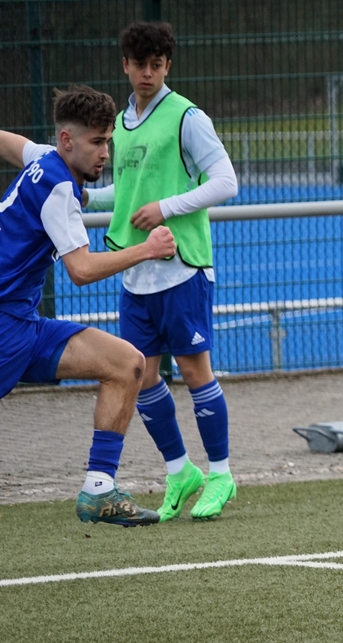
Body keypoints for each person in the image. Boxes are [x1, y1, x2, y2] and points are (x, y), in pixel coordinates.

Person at [83, 21, 239, 521]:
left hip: (182, 267)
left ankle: (221, 474)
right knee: (141, 375)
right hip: (137, 272)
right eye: (139, 65)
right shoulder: (121, 123)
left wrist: (166, 208)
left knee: (194, 372)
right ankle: (179, 471)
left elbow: (226, 181)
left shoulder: (187, 117)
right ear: (125, 65)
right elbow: (128, 192)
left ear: (167, 65)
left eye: (156, 65)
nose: (147, 73)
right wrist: (86, 196)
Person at [0, 85, 177, 526]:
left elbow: (11, 144)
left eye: (108, 141)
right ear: (67, 140)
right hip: (6, 328)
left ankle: (99, 489)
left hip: (23, 324)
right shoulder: (60, 188)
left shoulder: (45, 157)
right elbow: (79, 270)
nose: (105, 153)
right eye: (97, 142)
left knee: (127, 364)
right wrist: (147, 249)